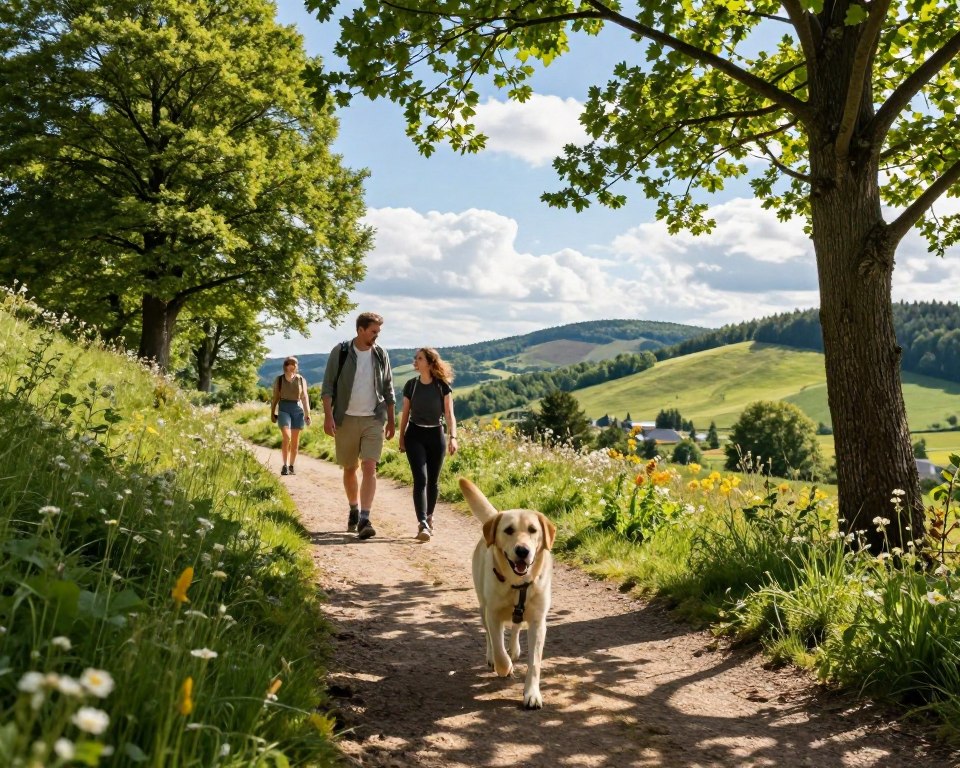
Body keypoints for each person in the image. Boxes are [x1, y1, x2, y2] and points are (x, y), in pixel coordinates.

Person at [321, 312, 396, 540]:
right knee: (350, 468)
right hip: (346, 418)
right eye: (373, 331)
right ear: (360, 330)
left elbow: (388, 387)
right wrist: (328, 417)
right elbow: (327, 387)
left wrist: (392, 419)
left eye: (378, 332)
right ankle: (354, 508)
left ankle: (365, 518)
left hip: (374, 418)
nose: (376, 335)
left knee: (370, 467)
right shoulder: (341, 352)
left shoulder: (381, 354)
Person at [398, 347, 458, 542]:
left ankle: (430, 517)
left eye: (420, 359)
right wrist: (401, 437)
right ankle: (422, 522)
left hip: (436, 435)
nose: (415, 361)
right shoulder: (411, 385)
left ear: (430, 363)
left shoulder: (442, 386)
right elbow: (405, 413)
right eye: (416, 358)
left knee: (433, 481)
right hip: (414, 435)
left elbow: (449, 414)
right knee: (421, 479)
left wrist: (453, 437)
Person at [270, 356, 312, 476]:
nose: (292, 366)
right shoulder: (279, 380)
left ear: (296, 366)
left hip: (297, 410)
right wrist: (272, 412)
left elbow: (304, 397)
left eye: (294, 364)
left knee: (294, 441)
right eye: (289, 364)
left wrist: (307, 414)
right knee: (286, 437)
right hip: (283, 409)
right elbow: (275, 397)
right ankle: (285, 465)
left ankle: (291, 466)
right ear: (285, 366)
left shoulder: (301, 379)